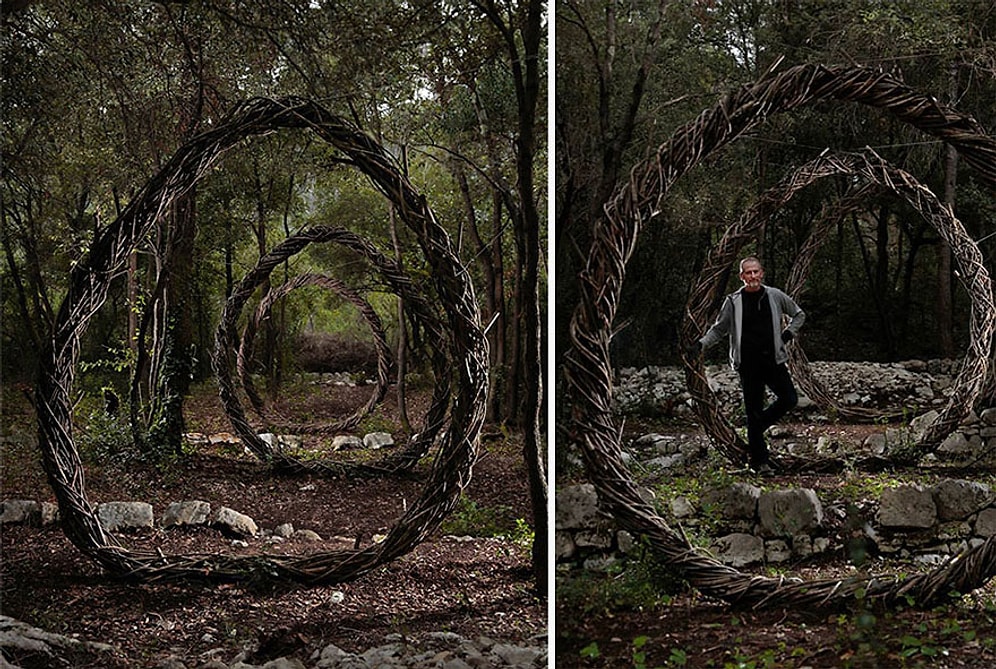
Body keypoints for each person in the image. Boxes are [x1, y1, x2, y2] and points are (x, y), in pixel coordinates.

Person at [688, 256, 805, 476]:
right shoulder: (733, 302)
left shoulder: (775, 296)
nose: (752, 276)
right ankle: (760, 463)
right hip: (748, 364)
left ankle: (757, 428)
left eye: (755, 272)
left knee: (789, 399)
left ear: (762, 273)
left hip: (773, 360)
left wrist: (788, 334)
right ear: (741, 276)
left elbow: (799, 315)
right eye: (747, 273)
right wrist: (701, 345)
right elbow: (719, 329)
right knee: (753, 410)